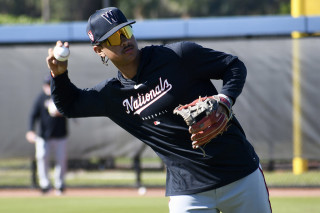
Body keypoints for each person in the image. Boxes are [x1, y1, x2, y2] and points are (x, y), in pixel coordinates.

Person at [46, 7, 272, 212]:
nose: (125, 40)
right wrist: (59, 75)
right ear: (99, 50)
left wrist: (225, 100)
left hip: (240, 173)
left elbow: (233, 66)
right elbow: (69, 105)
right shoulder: (112, 95)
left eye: (126, 31)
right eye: (115, 37)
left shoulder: (178, 56)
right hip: (188, 191)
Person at [25, 75, 68, 195]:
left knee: (61, 160)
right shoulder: (40, 98)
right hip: (43, 136)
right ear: (44, 86)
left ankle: (60, 185)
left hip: (60, 135)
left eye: (50, 84)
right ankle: (45, 186)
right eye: (47, 85)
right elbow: (33, 115)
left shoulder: (60, 96)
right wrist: (30, 130)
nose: (48, 87)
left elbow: (70, 111)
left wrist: (62, 112)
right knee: (42, 158)